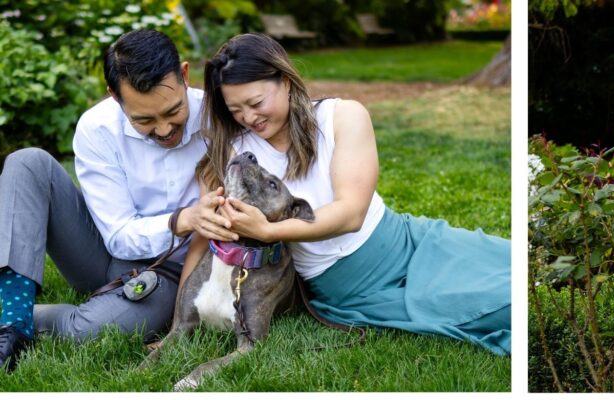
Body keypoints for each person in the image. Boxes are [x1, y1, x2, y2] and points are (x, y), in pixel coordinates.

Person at [188, 33, 511, 356]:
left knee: (515, 267)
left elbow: (352, 212)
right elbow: (211, 228)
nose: (248, 117)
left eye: (256, 103)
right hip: (353, 287)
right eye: (235, 109)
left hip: (408, 241)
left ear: (286, 81)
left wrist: (269, 231)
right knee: (501, 304)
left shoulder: (341, 117)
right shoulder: (238, 153)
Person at [0, 29, 230, 371]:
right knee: (27, 163)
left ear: (184, 75)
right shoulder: (97, 128)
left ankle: (38, 317)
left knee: (88, 331)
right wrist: (181, 220)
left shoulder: (222, 118)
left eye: (173, 111)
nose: (165, 129)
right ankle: (12, 322)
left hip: (170, 271)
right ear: (114, 96)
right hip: (103, 252)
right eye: (145, 120)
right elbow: (119, 236)